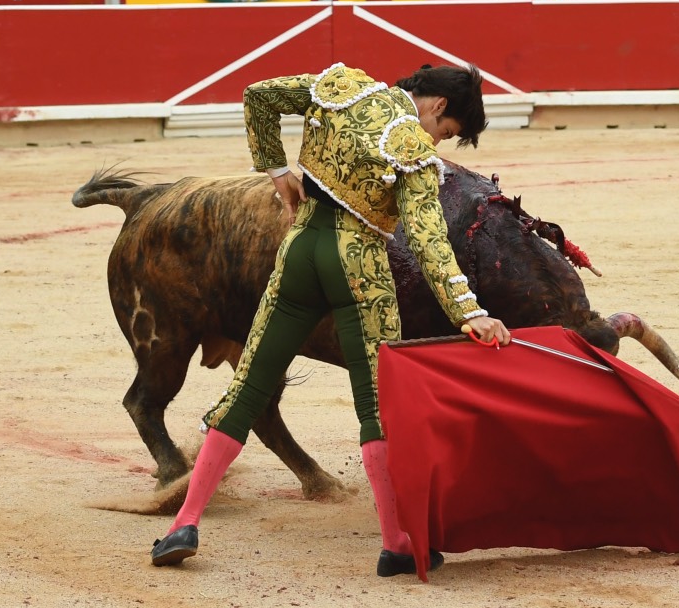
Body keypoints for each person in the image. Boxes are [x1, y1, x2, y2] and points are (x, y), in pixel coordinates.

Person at [149, 63, 510, 575]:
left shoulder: (342, 89)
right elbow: (430, 243)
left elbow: (258, 97)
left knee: (248, 387)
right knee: (375, 405)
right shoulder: (410, 147)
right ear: (438, 106)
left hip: (299, 250)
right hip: (358, 265)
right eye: (446, 132)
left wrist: (277, 172)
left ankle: (183, 523)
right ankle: (395, 544)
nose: (439, 140)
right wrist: (469, 312)